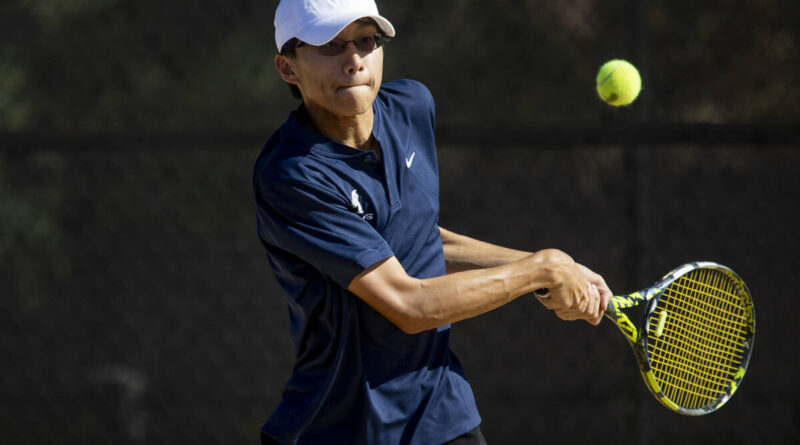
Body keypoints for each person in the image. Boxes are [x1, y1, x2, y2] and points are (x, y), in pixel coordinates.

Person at [253, 0, 613, 443]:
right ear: (288, 68)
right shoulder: (292, 173)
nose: (354, 61)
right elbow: (410, 305)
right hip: (343, 427)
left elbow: (423, 241)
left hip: (441, 413)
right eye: (330, 45)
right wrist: (540, 269)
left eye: (366, 41)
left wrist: (558, 270)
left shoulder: (412, 107)